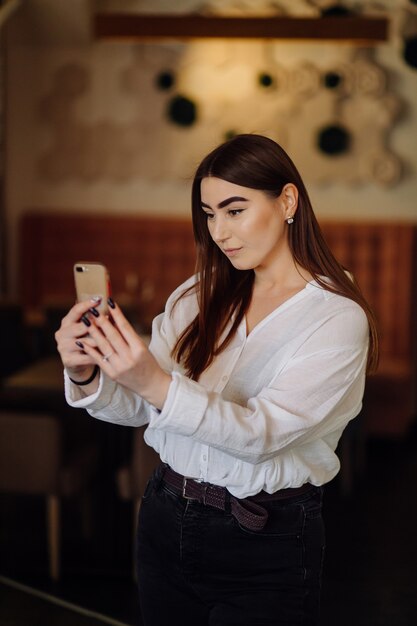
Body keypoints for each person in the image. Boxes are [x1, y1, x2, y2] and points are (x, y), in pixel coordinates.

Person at [56, 133, 378, 626]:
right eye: (208, 214)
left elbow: (262, 434)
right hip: (164, 514)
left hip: (263, 539)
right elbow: (141, 408)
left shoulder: (336, 317)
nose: (219, 232)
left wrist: (153, 382)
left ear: (287, 201)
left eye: (234, 210)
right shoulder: (198, 294)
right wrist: (86, 373)